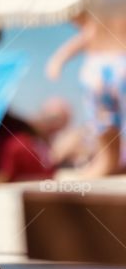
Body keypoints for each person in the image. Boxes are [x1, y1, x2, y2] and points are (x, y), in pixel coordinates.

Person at [47, 11, 126, 177]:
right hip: (117, 59)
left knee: (104, 120)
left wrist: (58, 61)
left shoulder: (96, 18)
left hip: (96, 66)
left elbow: (85, 32)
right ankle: (108, 162)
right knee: (104, 121)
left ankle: (107, 162)